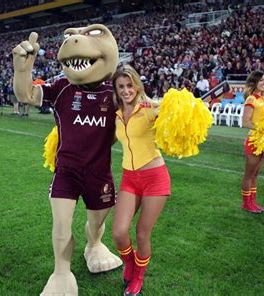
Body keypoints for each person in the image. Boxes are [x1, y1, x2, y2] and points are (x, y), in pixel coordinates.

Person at [12, 26, 121, 295]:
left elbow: (143, 108)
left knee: (96, 222)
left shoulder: (116, 92)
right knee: (61, 225)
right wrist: (22, 71)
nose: (74, 39)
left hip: (99, 172)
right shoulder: (62, 87)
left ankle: (94, 244)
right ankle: (61, 272)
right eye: (70, 35)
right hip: (67, 171)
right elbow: (26, 95)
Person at [111, 65, 171, 295]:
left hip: (155, 178)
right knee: (118, 233)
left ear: (137, 85)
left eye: (130, 85)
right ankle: (129, 262)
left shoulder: (150, 108)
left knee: (142, 233)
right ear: (116, 90)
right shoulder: (116, 113)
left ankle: (138, 276)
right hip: (129, 177)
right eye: (121, 87)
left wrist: (160, 105)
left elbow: (180, 109)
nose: (126, 91)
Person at [241, 70, 264, 214]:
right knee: (249, 174)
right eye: (261, 80)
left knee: (255, 174)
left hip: (263, 141)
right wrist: (262, 128)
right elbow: (245, 122)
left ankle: (253, 202)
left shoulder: (262, 99)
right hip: (254, 140)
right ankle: (246, 203)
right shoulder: (251, 99)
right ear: (254, 82)